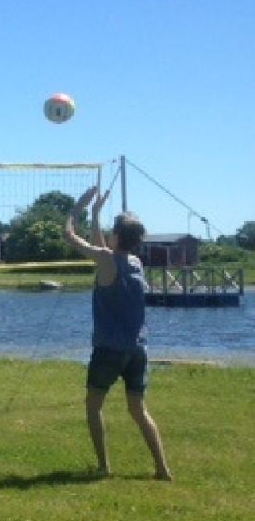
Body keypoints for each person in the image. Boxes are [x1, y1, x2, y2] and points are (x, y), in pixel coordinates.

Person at [63, 185, 172, 480]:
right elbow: (105, 250)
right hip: (137, 349)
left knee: (93, 405)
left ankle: (103, 467)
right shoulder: (135, 263)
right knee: (138, 409)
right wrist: (97, 214)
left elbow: (69, 236)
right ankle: (162, 469)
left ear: (116, 236)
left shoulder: (105, 259)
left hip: (109, 349)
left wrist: (78, 208)